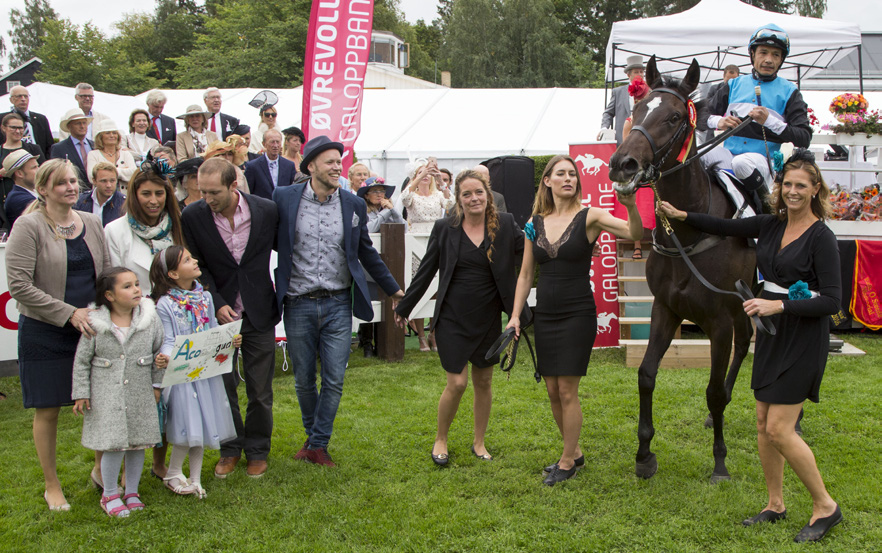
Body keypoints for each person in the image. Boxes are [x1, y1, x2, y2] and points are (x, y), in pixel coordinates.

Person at [657, 149, 842, 543]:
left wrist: (778, 304)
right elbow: (723, 226)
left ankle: (826, 506)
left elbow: (832, 302)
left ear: (815, 190)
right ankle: (775, 503)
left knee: (779, 428)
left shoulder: (822, 237)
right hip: (772, 335)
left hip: (802, 336)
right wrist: (683, 216)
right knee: (761, 423)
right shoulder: (771, 225)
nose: (792, 191)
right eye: (787, 184)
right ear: (779, 188)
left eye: (801, 186)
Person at [506, 155, 642, 486]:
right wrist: (514, 317)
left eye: (573, 174)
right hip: (546, 314)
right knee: (552, 390)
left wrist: (631, 206)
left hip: (577, 313)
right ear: (547, 181)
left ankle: (567, 462)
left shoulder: (591, 216)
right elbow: (525, 274)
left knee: (567, 390)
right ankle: (575, 450)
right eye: (560, 174)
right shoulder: (533, 222)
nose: (568, 179)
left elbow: (632, 231)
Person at [274, 135, 404, 467]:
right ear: (311, 165)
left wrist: (394, 290)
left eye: (339, 162)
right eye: (330, 161)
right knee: (304, 378)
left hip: (337, 303)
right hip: (298, 302)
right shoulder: (284, 199)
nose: (336, 167)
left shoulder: (353, 204)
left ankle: (317, 444)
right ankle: (315, 441)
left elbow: (366, 253)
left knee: (334, 377)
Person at [395, 169, 526, 466]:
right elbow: (426, 270)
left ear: (487, 195)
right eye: (466, 194)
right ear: (458, 198)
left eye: (478, 192)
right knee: (457, 383)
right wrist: (404, 308)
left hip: (488, 317)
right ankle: (441, 438)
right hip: (453, 317)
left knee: (484, 381)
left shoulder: (504, 224)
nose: (473, 198)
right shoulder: (446, 227)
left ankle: (479, 442)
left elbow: (528, 250)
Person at [5, 158, 111, 511]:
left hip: (91, 329)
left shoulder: (93, 222)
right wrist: (68, 314)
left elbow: (107, 274)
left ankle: (100, 470)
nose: (71, 187)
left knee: (97, 403)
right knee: (47, 409)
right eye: (62, 182)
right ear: (44, 189)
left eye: (74, 181)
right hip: (45, 330)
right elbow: (19, 286)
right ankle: (52, 485)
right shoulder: (28, 226)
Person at [181, 157, 280, 479]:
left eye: (213, 193)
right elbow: (198, 266)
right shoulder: (193, 216)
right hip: (216, 316)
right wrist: (216, 301)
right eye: (202, 192)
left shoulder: (266, 209)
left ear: (233, 185)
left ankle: (257, 450)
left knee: (260, 391)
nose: (206, 199)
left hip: (259, 311)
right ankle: (229, 448)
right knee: (223, 389)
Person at [104, 162, 185, 479]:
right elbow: (111, 279)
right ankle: (122, 466)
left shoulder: (176, 226)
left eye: (159, 194)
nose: (153, 200)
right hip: (134, 318)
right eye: (146, 193)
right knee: (136, 396)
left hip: (173, 315)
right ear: (133, 194)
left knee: (169, 391)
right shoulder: (116, 230)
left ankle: (158, 462)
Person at [71, 268, 168, 517]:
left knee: (137, 444)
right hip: (106, 396)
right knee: (113, 445)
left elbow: (160, 354)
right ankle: (110, 493)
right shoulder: (95, 324)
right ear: (109, 295)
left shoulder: (150, 320)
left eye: (136, 284)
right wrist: (81, 392)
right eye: (127, 286)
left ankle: (132, 491)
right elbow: (82, 361)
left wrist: (157, 384)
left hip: (140, 392)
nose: (136, 289)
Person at [151, 246, 240, 498]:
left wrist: (228, 340)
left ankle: (195, 479)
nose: (195, 260)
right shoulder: (166, 304)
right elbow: (169, 338)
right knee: (187, 425)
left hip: (205, 372)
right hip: (182, 374)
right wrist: (167, 356)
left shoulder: (206, 298)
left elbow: (212, 328)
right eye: (187, 260)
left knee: (201, 423)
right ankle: (173, 473)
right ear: (173, 273)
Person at [704, 24, 811, 205]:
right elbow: (700, 116)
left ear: (781, 60)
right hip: (728, 154)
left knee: (741, 163)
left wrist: (769, 121)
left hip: (761, 161)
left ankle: (767, 208)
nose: (768, 60)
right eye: (763, 53)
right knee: (698, 157)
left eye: (775, 55)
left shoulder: (790, 92)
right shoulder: (732, 85)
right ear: (752, 54)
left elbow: (804, 137)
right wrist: (719, 121)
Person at [400, 158, 454, 352]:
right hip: (416, 241)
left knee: (439, 288)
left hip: (436, 239)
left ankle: (433, 332)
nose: (425, 177)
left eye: (426, 174)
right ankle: (421, 336)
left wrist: (440, 180)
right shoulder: (412, 195)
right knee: (420, 286)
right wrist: (419, 176)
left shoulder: (437, 194)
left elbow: (452, 204)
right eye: (420, 173)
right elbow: (404, 197)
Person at [355, 177, 404, 357]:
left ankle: (379, 342)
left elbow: (403, 227)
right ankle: (366, 343)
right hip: (367, 265)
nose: (379, 195)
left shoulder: (388, 210)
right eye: (375, 191)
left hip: (386, 264)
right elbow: (368, 229)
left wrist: (393, 211)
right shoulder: (362, 211)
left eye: (382, 191)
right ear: (366, 195)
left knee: (383, 302)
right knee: (369, 302)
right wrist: (385, 213)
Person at [618, 77, 656, 260]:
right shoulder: (629, 121)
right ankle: (637, 243)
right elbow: (627, 149)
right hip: (636, 167)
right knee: (637, 201)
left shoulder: (653, 117)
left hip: (652, 165)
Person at [2, 113, 45, 225]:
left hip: (32, 192)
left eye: (20, 127)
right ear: (3, 128)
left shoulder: (33, 148)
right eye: (13, 127)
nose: (18, 131)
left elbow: (45, 172)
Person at [599, 55, 646, 145]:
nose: (640, 74)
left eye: (641, 72)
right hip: (622, 142)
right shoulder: (618, 92)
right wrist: (604, 128)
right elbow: (608, 113)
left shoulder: (650, 92)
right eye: (636, 72)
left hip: (642, 141)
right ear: (628, 75)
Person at [243, 129, 296, 199]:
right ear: (264, 144)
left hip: (283, 207)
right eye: (272, 142)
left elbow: (293, 190)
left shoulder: (289, 166)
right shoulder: (253, 166)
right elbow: (248, 192)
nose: (275, 145)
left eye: (278, 142)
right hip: (262, 207)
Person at [4, 85, 54, 157]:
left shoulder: (40, 119)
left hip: (38, 160)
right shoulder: (3, 119)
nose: (23, 99)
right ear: (11, 100)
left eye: (26, 96)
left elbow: (49, 145)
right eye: (19, 96)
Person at [86, 120, 137, 189]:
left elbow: (134, 174)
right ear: (100, 137)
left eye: (114, 133)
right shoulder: (93, 154)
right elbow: (91, 176)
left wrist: (106, 172)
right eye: (107, 133)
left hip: (125, 197)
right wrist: (123, 170)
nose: (112, 135)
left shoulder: (125, 154)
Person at [74, 162, 126, 226]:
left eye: (112, 181)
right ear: (94, 181)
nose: (108, 185)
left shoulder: (125, 203)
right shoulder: (80, 201)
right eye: (103, 181)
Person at [50, 109, 94, 183]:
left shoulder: (95, 145)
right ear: (69, 126)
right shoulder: (59, 148)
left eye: (84, 123)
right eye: (78, 123)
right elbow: (56, 173)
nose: (82, 126)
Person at [2, 150, 39, 228]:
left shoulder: (28, 192)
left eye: (38, 166)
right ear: (19, 174)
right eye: (34, 167)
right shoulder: (18, 199)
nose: (39, 170)